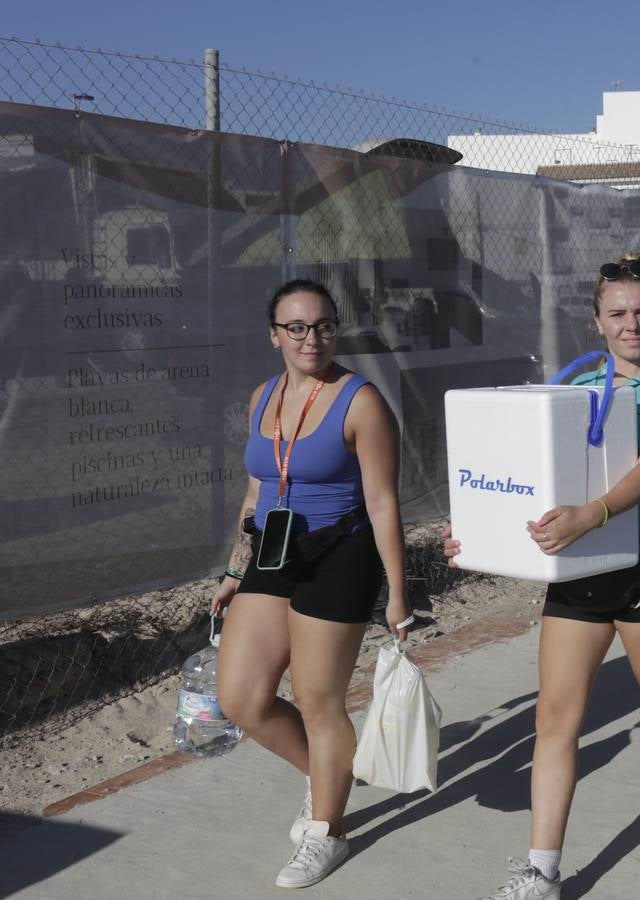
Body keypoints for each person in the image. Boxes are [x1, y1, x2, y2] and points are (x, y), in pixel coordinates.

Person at [445, 253, 640, 899]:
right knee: (555, 721)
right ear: (597, 319)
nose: (631, 324)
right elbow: (527, 474)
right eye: (617, 313)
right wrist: (478, 531)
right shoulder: (575, 386)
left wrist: (591, 513)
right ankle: (541, 869)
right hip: (580, 573)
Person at [212, 278, 409, 890]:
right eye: (296, 327)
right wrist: (233, 569)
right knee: (241, 699)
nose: (311, 338)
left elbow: (382, 501)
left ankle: (328, 831)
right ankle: (329, 776)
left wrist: (399, 594)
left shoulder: (361, 402)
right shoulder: (262, 397)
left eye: (322, 325)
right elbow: (256, 491)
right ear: (274, 335)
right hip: (273, 549)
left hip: (340, 553)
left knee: (318, 699)